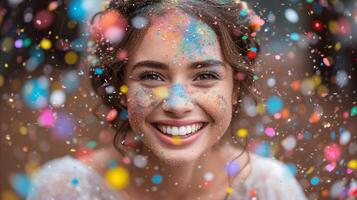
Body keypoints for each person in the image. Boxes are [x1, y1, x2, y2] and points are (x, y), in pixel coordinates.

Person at [27, 0, 307, 199]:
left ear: (235, 87)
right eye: (151, 76)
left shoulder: (271, 189)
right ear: (121, 87)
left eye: (205, 76)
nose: (177, 104)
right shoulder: (65, 190)